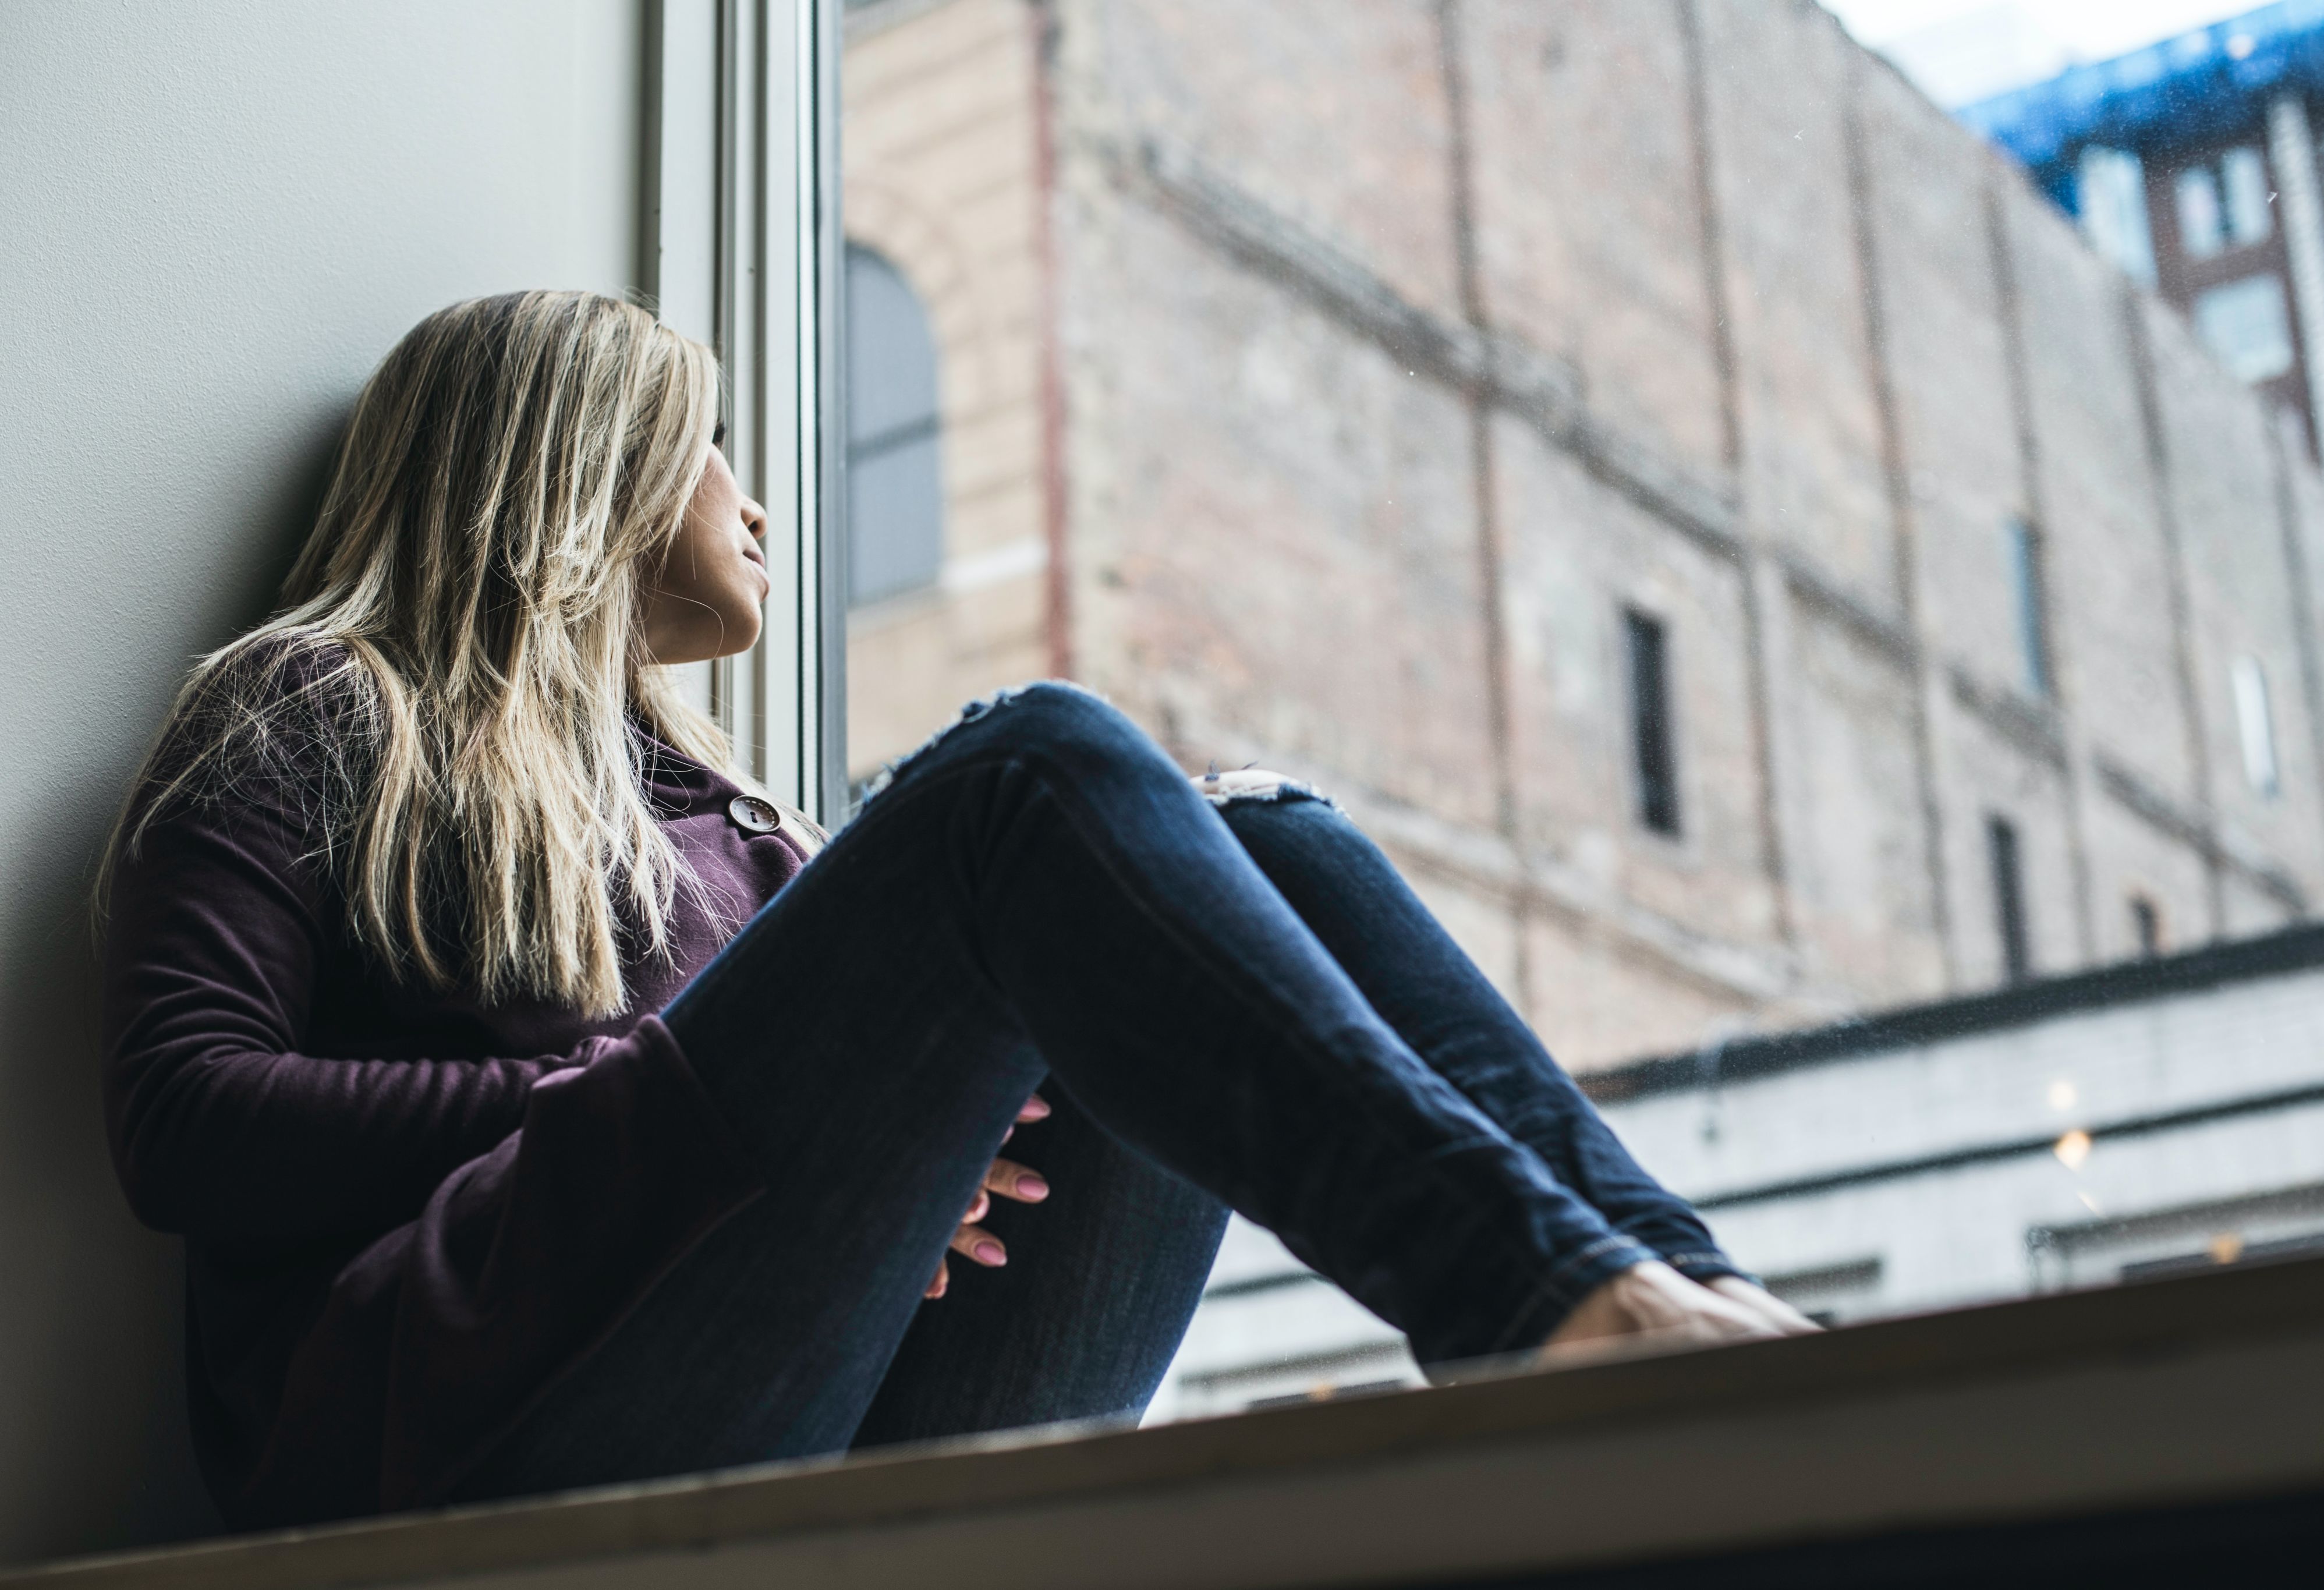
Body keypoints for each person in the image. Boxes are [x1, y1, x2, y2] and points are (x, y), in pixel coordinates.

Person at [98, 290, 1811, 1532]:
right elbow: (185, 1121)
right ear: (578, 465)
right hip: (458, 1418)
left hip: (826, 1402)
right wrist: (630, 1092)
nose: (754, 499)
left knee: (1270, 831)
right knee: (1031, 764)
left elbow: (814, 1134)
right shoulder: (321, 707)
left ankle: (1681, 1302)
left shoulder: (740, 828)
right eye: (708, 446)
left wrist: (905, 1148)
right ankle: (1539, 1307)